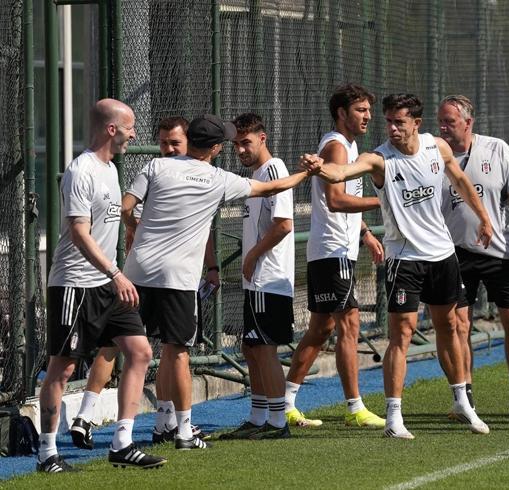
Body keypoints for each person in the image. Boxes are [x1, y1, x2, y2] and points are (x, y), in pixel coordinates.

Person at [302, 93, 493, 439]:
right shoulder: (380, 159)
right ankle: (393, 416)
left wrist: (484, 217)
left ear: (416, 123)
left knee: (450, 326)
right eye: (388, 121)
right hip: (404, 259)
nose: (391, 128)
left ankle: (462, 402)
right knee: (401, 334)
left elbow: (461, 181)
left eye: (399, 122)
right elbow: (341, 171)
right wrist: (321, 168)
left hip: (442, 254)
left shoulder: (437, 147)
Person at [122, 114, 311, 448]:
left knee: (132, 352)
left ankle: (132, 430)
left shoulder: (156, 166)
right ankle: (185, 430)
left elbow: (126, 208)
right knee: (178, 352)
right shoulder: (220, 179)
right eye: (231, 143)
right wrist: (308, 173)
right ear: (215, 148)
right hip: (179, 279)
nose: (236, 148)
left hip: (137, 273)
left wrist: (135, 232)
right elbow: (275, 188)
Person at [38, 99, 166, 472]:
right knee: (62, 369)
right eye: (130, 127)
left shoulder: (110, 169)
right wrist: (116, 273)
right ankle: (47, 453)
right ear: (112, 129)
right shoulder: (81, 171)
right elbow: (80, 234)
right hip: (75, 286)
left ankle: (122, 443)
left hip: (108, 284)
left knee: (140, 352)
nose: (134, 134)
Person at [69, 116, 212, 448]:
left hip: (152, 273)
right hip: (158, 277)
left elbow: (202, 229)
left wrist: (213, 266)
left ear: (189, 143)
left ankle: (163, 421)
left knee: (155, 348)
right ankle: (90, 416)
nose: (168, 148)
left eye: (174, 143)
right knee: (135, 345)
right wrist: (134, 228)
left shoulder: (186, 173)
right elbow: (125, 208)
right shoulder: (158, 169)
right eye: (163, 143)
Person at [284, 84, 385, 429]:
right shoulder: (337, 147)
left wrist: (365, 233)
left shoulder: (349, 146)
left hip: (338, 249)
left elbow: (343, 200)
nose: (367, 116)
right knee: (349, 325)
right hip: (332, 251)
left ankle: (285, 403)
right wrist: (384, 202)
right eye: (360, 110)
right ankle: (355, 407)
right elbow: (336, 200)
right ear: (342, 113)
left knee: (320, 329)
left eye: (368, 110)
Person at [437, 95, 509, 419]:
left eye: (450, 122)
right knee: (460, 325)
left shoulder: (497, 149)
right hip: (453, 252)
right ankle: (465, 397)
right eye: (440, 122)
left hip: (499, 252)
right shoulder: (433, 155)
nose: (443, 128)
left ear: (468, 122)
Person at [216, 113, 298, 440]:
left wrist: (251, 255)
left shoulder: (274, 169)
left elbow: (284, 225)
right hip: (257, 281)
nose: (240, 150)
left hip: (269, 278)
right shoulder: (256, 176)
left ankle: (278, 422)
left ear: (262, 138)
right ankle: (258, 415)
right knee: (251, 347)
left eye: (246, 142)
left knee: (264, 348)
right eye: (236, 144)